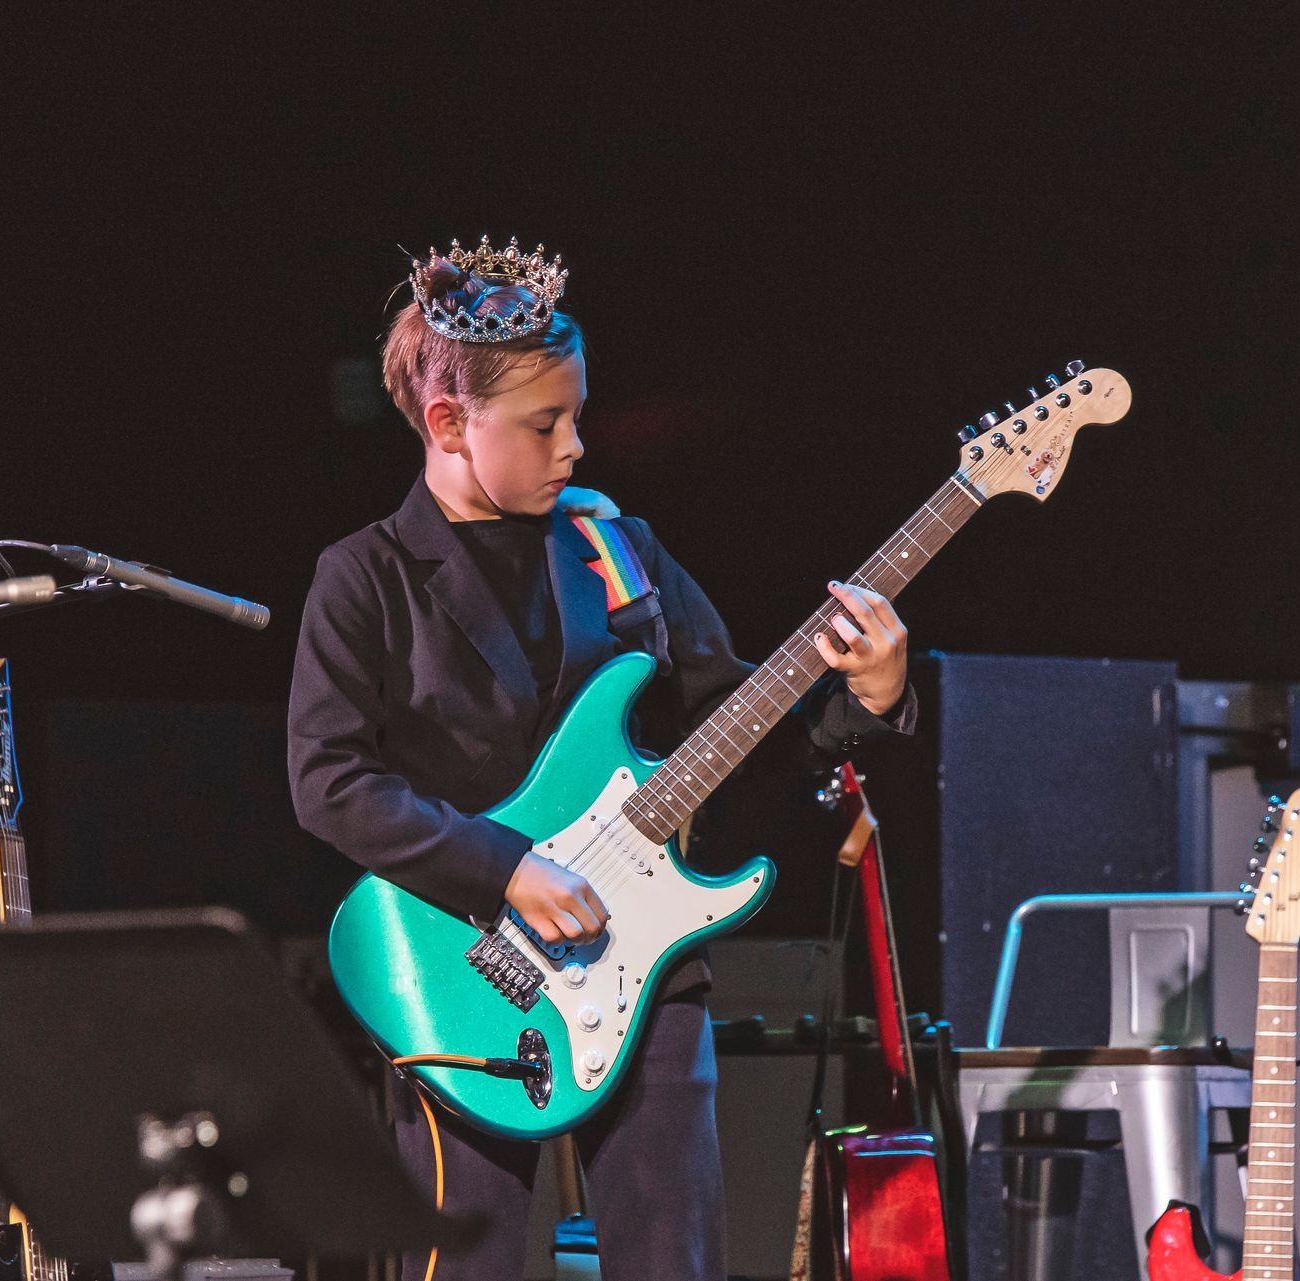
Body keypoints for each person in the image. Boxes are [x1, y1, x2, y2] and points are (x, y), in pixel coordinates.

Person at [288, 236, 915, 1281]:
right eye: (545, 425)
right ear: (448, 423)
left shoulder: (615, 548)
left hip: (645, 962)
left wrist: (870, 698)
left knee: (676, 1261)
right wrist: (508, 869)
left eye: (575, 415)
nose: (576, 447)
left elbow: (738, 736)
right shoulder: (367, 577)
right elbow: (330, 783)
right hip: (463, 975)